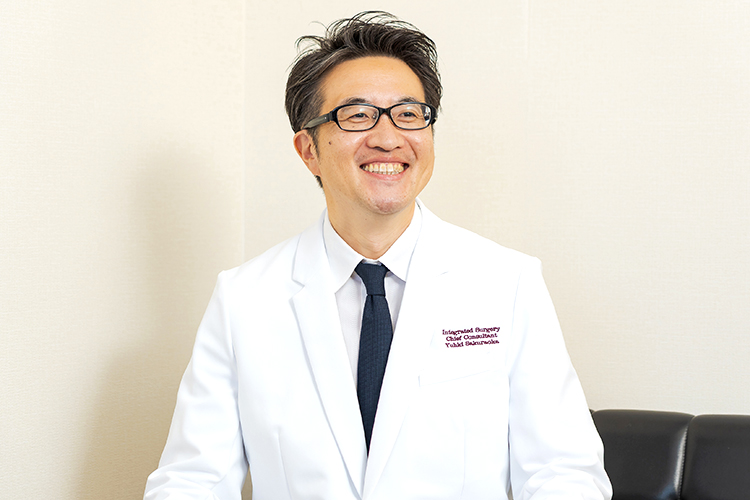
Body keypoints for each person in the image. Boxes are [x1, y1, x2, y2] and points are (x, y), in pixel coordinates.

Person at [144, 11, 612, 500]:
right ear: (308, 150)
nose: (388, 138)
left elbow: (563, 472)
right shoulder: (244, 299)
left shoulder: (506, 282)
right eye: (357, 115)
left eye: (408, 114)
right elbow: (192, 479)